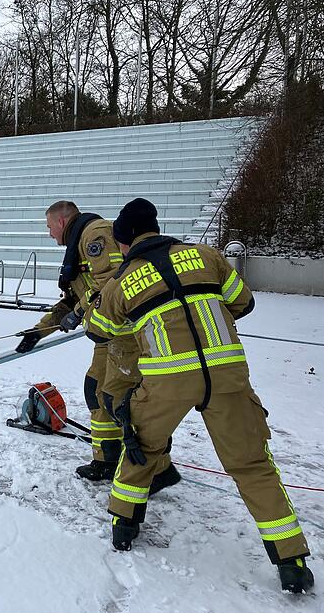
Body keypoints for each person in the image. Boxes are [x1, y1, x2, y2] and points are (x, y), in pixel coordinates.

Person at [84, 197, 313, 594]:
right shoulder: (206, 256)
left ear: (123, 242)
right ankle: (292, 561)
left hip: (166, 381)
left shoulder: (122, 282)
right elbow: (243, 302)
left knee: (142, 447)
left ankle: (123, 527)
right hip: (228, 376)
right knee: (252, 465)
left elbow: (100, 330)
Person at [16, 200, 178, 489]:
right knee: (97, 391)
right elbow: (74, 298)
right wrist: (38, 331)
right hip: (108, 333)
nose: (49, 233)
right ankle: (107, 460)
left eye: (49, 226)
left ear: (62, 222)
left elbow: (112, 282)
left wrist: (78, 313)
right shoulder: (78, 243)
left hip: (125, 332)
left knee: (122, 399)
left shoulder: (95, 235)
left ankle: (158, 467)